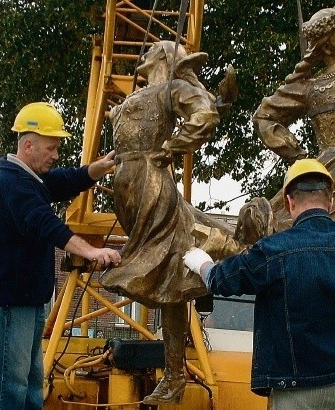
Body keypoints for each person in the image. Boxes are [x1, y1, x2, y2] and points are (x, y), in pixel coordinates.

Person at [183, 158, 335, 410]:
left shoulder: (272, 251)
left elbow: (221, 281)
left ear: (289, 203)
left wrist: (201, 263)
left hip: (295, 391)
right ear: (330, 201)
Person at [98, 41, 220, 405]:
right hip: (127, 186)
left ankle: (175, 375)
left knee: (168, 275)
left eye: (152, 48)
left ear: (166, 57)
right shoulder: (140, 96)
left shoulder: (173, 88)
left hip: (151, 183)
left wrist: (173, 147)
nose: (143, 53)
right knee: (167, 276)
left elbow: (206, 114)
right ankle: (173, 375)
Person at [0, 102, 122, 409]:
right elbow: (48, 226)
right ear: (28, 145)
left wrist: (95, 169)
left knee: (31, 382)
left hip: (28, 298)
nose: (55, 155)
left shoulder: (30, 180)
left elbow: (62, 181)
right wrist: (92, 251)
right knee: (11, 385)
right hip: (13, 300)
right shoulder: (13, 185)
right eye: (51, 148)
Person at [252, 3, 335, 233]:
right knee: (321, 236)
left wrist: (299, 158)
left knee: (296, 231)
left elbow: (264, 116)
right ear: (326, 47)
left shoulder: (313, 86)